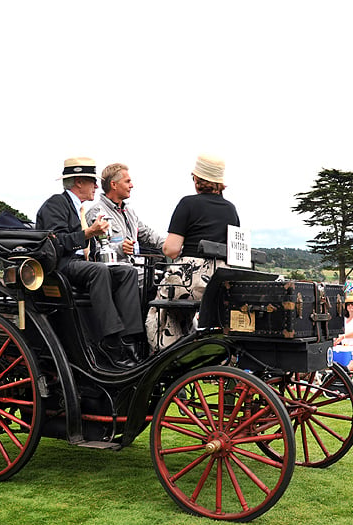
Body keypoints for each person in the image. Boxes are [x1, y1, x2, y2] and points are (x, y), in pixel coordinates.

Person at [36, 156, 144, 370]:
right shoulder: (56, 204)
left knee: (127, 272)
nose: (96, 186)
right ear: (78, 182)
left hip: (82, 264)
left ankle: (129, 339)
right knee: (99, 271)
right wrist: (88, 233)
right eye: (92, 182)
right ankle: (110, 341)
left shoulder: (80, 209)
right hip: (60, 266)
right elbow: (56, 244)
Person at [145, 154, 240, 352]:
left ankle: (164, 356)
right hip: (219, 282)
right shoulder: (231, 209)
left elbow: (170, 249)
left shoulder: (188, 204)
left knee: (159, 312)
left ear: (197, 180)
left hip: (191, 279)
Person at [85, 163, 165, 268]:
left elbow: (148, 235)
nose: (131, 185)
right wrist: (120, 248)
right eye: (127, 181)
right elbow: (95, 252)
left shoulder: (129, 212)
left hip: (136, 270)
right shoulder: (97, 213)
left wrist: (173, 246)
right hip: (115, 274)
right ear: (113, 185)